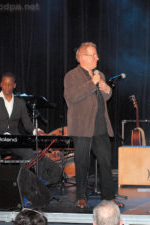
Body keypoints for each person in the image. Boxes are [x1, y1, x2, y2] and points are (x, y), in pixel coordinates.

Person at [64, 42, 123, 209]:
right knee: (82, 162)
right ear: (83, 57)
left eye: (96, 55)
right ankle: (81, 197)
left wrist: (106, 90)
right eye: (93, 55)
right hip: (82, 126)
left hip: (100, 125)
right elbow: (72, 97)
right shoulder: (72, 76)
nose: (97, 58)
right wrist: (92, 83)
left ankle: (109, 197)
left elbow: (104, 98)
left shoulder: (100, 74)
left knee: (105, 161)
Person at [0, 72, 45, 161]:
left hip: (14, 139)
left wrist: (37, 131)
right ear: (1, 84)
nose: (7, 86)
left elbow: (27, 123)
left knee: (31, 155)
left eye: (10, 84)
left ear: (14, 85)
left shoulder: (20, 103)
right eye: (5, 84)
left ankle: (22, 175)